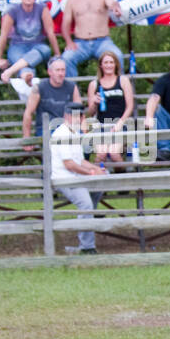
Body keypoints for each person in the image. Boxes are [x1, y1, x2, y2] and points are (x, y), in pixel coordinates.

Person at [49, 101, 107, 255]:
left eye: (80, 116)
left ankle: (87, 227)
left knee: (101, 184)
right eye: (74, 116)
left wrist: (96, 169)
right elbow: (69, 165)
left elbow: (80, 161)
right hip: (64, 179)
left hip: (75, 176)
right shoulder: (61, 134)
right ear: (66, 116)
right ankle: (87, 247)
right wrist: (91, 173)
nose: (78, 119)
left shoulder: (74, 133)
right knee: (86, 204)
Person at [59, 0, 124, 76]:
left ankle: (119, 91)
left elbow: (112, 3)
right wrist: (69, 42)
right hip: (80, 43)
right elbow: (65, 24)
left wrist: (115, 7)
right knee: (66, 59)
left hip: (103, 42)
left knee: (117, 56)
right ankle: (74, 93)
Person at [0, 0, 59, 87]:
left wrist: (57, 54)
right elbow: (3, 35)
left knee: (45, 50)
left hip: (38, 46)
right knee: (23, 61)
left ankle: (11, 72)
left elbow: (50, 32)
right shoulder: (13, 10)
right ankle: (28, 78)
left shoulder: (42, 8)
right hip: (17, 46)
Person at [84, 50, 135, 164]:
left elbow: (130, 106)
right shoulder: (94, 84)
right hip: (101, 125)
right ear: (101, 65)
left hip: (120, 123)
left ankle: (122, 178)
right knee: (101, 155)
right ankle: (100, 179)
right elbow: (90, 113)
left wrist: (120, 123)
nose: (108, 65)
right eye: (106, 62)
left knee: (114, 154)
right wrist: (95, 103)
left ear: (116, 64)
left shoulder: (123, 80)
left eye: (111, 62)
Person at [22, 56, 81, 151]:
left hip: (67, 128)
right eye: (57, 70)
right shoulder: (39, 88)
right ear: (49, 72)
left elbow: (79, 112)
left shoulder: (72, 87)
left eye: (63, 70)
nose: (61, 73)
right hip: (46, 129)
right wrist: (27, 137)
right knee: (58, 146)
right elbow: (28, 113)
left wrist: (81, 131)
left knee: (85, 145)